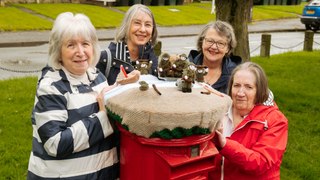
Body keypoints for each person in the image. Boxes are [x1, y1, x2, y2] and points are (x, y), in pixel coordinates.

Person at [27, 12, 119, 179]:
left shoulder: (97, 77)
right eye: (71, 45)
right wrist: (104, 117)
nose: (81, 52)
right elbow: (55, 143)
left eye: (85, 43)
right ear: (58, 50)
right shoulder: (51, 86)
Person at [210, 62, 288, 180]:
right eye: (236, 85)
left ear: (259, 90)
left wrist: (225, 145)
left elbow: (261, 163)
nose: (240, 93)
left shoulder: (275, 121)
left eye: (248, 87)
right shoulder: (220, 112)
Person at [97, 4, 159, 85]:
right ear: (127, 26)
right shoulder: (106, 58)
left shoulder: (154, 58)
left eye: (147, 25)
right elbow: (96, 94)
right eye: (137, 23)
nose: (143, 29)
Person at [188, 20, 242, 93]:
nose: (214, 47)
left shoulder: (236, 75)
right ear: (201, 42)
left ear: (228, 48)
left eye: (220, 43)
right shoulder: (186, 68)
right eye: (210, 41)